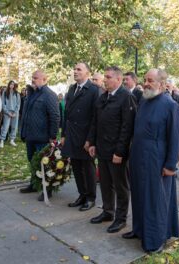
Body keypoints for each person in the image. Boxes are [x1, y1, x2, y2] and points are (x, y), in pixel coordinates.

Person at [122, 69, 179, 253]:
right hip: (139, 157)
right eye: (145, 80)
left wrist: (171, 165)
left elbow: (177, 138)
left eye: (150, 80)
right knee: (140, 195)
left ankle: (156, 239)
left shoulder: (171, 106)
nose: (146, 83)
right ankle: (139, 230)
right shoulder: (144, 100)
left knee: (155, 200)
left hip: (157, 160)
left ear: (163, 84)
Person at [87, 66, 136, 233]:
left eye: (108, 77)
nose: (105, 80)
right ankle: (108, 211)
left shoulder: (126, 97)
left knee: (120, 186)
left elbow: (127, 127)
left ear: (118, 80)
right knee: (106, 184)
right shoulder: (103, 97)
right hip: (102, 148)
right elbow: (95, 121)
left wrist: (120, 152)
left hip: (116, 152)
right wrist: (92, 142)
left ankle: (121, 218)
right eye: (105, 77)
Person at [61, 62, 100, 211]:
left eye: (79, 69)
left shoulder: (94, 90)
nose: (75, 71)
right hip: (72, 134)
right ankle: (82, 194)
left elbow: (95, 118)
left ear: (87, 73)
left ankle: (90, 197)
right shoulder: (72, 89)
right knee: (76, 166)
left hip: (85, 136)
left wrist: (90, 140)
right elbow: (67, 115)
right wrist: (64, 134)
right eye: (74, 69)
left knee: (87, 167)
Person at [19, 70, 60, 201]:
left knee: (45, 164)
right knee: (32, 162)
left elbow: (55, 116)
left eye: (36, 78)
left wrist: (52, 135)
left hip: (42, 137)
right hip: (30, 136)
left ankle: (47, 189)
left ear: (44, 79)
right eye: (32, 77)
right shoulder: (32, 94)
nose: (33, 80)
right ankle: (34, 184)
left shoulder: (49, 95)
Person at [0, 80, 21, 148]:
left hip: (15, 113)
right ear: (9, 85)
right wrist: (8, 112)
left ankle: (12, 140)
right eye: (11, 84)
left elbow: (18, 104)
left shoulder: (17, 93)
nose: (12, 85)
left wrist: (15, 112)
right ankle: (2, 140)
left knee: (14, 127)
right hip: (7, 112)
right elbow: (3, 103)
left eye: (13, 84)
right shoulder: (5, 93)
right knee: (5, 127)